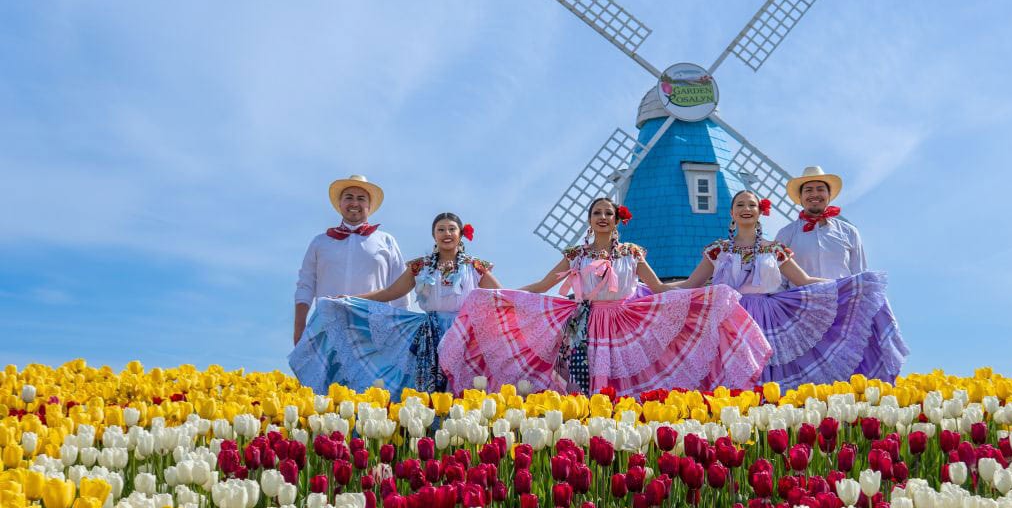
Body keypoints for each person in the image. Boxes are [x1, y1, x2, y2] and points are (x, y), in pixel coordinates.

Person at [439, 197, 771, 393]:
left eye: (607, 213)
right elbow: (541, 287)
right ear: (589, 220)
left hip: (624, 325)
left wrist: (704, 296)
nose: (602, 217)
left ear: (616, 219)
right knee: (583, 385)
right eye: (596, 213)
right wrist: (497, 296)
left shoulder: (631, 253)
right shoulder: (576, 255)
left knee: (622, 384)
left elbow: (658, 289)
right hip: (583, 323)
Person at [689, 189, 906, 386]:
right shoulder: (719, 250)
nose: (746, 209)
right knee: (724, 373)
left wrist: (852, 286)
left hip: (765, 318)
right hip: (728, 318)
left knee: (769, 373)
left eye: (752, 205)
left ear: (760, 211)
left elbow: (803, 279)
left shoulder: (775, 248)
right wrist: (653, 278)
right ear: (731, 212)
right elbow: (689, 285)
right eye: (740, 205)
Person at [290, 212, 499, 395]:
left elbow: (502, 294)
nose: (446, 233)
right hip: (430, 333)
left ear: (461, 234)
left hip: (463, 334)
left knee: (465, 387)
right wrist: (349, 300)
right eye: (441, 229)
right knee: (429, 387)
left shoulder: (474, 266)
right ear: (434, 235)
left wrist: (532, 293)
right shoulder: (420, 266)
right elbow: (390, 292)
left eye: (451, 229)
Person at [294, 175, 412, 346]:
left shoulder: (387, 241)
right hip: (327, 328)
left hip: (374, 329)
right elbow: (305, 286)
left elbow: (401, 290)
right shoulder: (320, 242)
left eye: (361, 198)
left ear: (369, 206)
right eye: (348, 197)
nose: (354, 203)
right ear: (340, 204)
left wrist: (402, 333)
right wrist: (299, 329)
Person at [774, 166, 866, 280]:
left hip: (843, 298)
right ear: (800, 197)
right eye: (808, 190)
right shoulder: (785, 234)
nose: (815, 194)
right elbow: (777, 279)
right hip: (799, 297)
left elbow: (860, 276)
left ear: (829, 195)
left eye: (820, 189)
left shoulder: (850, 232)